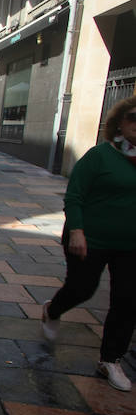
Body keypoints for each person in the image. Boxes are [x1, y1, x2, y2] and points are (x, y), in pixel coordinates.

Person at [42, 95, 136, 392]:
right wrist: (77, 231)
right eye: (134, 117)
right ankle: (53, 310)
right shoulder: (100, 156)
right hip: (89, 238)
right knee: (82, 288)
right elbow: (75, 195)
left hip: (130, 244)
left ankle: (110, 359)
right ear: (120, 122)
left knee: (128, 299)